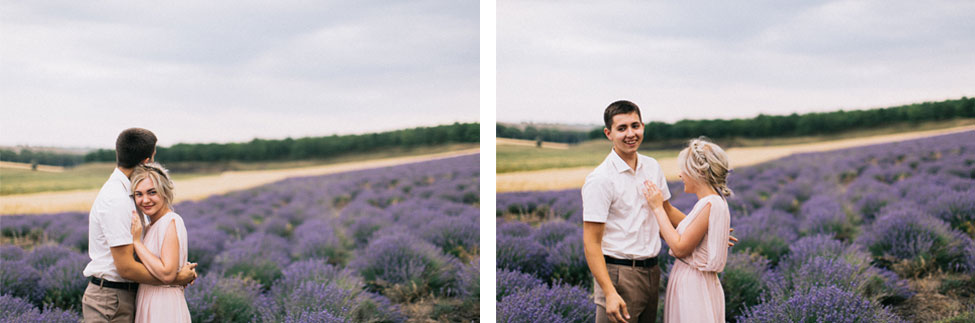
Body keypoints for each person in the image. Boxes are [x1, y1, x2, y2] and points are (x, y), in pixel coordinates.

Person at [582, 101, 735, 323]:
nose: (630, 134)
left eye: (635, 126)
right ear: (609, 133)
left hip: (652, 272)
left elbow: (666, 211)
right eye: (622, 128)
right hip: (619, 273)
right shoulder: (600, 180)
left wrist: (706, 231)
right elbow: (591, 243)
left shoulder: (651, 167)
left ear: (643, 126)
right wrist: (609, 292)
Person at [82, 128, 197, 323]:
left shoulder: (127, 193)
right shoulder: (116, 199)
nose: (145, 199)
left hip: (125, 296)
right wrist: (176, 278)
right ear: (147, 160)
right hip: (111, 299)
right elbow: (126, 268)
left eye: (151, 193)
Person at [643, 137, 732, 323]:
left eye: (683, 169)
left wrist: (658, 208)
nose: (680, 175)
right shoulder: (714, 201)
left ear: (697, 172)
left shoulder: (708, 204)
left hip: (693, 287)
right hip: (697, 283)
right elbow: (683, 233)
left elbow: (679, 248)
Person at [129, 163, 191, 323]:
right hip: (149, 300)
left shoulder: (170, 221)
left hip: (163, 306)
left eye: (152, 192)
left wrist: (136, 242)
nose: (145, 200)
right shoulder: (151, 227)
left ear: (164, 192)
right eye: (139, 194)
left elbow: (167, 273)